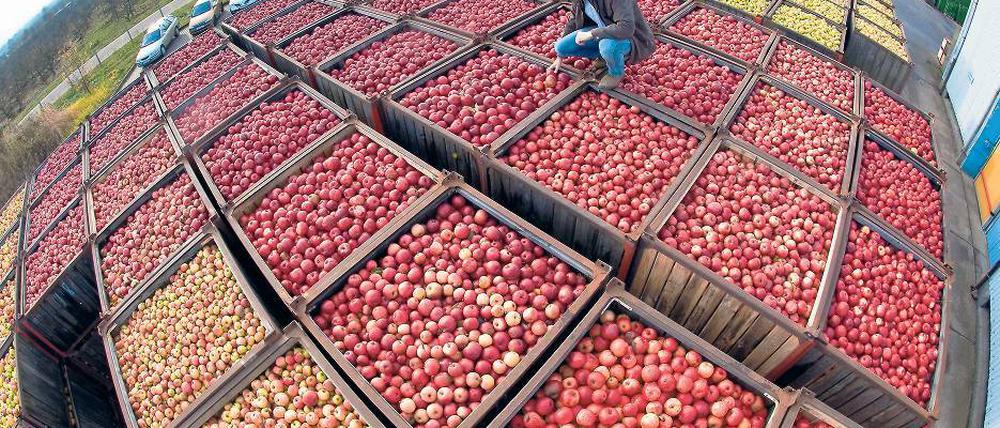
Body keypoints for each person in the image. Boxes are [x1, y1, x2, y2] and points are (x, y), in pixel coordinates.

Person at [549, 0, 656, 89]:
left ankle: (616, 73)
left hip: (633, 37)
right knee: (561, 47)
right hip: (603, 30)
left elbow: (626, 28)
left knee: (608, 46)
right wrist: (560, 56)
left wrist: (591, 34)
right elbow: (573, 21)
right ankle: (604, 57)